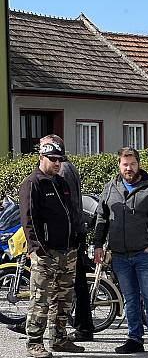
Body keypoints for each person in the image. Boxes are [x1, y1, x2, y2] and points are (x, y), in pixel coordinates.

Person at [94, 147, 148, 358]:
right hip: (120, 255)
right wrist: (98, 245)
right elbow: (101, 218)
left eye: (132, 164)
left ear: (139, 164)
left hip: (145, 254)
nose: (129, 168)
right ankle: (134, 339)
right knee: (129, 298)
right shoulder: (110, 187)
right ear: (119, 165)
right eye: (125, 164)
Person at [19, 138, 84, 358]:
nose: (57, 163)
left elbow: (71, 211)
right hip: (45, 253)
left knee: (64, 299)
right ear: (41, 158)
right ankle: (34, 342)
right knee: (41, 299)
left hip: (67, 251)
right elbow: (29, 220)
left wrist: (76, 238)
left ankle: (59, 338)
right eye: (53, 159)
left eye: (60, 160)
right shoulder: (32, 183)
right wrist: (37, 248)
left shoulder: (61, 182)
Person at [41, 134, 95, 342]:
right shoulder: (67, 167)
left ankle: (82, 327)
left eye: (44, 148)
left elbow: (68, 205)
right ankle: (82, 326)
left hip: (71, 232)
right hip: (75, 229)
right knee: (75, 280)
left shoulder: (62, 169)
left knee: (75, 280)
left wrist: (70, 231)